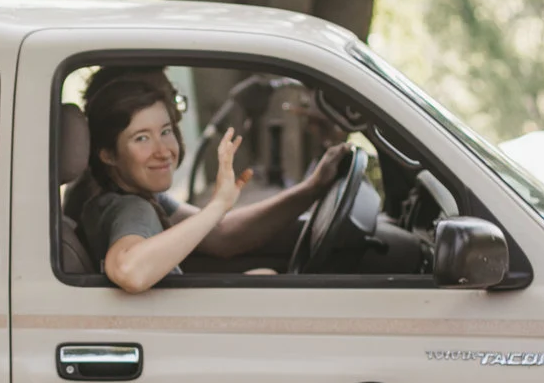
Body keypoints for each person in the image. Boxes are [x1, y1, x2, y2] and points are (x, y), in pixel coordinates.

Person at [77, 68, 348, 293]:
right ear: (108, 153)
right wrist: (218, 205)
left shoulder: (126, 196)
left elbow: (219, 235)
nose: (162, 151)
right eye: (142, 137)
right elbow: (128, 270)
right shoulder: (129, 207)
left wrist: (311, 188)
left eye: (166, 129)